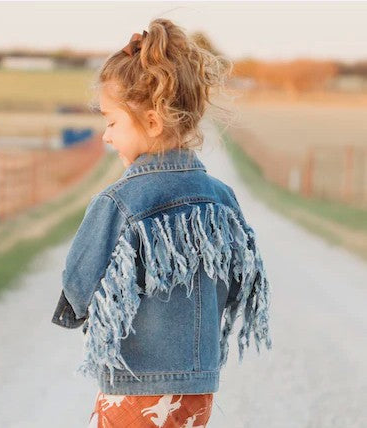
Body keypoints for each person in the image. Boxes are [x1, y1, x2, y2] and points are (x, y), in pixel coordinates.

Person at [52, 18, 272, 427]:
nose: (105, 135)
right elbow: (239, 278)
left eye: (112, 122)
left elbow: (78, 282)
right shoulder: (221, 198)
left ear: (152, 121)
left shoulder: (120, 201)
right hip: (199, 386)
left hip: (137, 385)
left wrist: (83, 312)